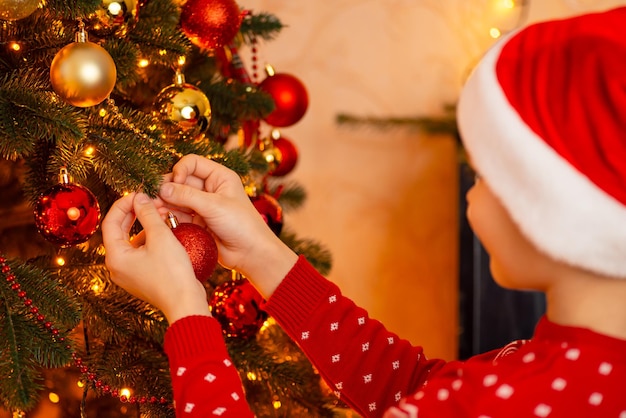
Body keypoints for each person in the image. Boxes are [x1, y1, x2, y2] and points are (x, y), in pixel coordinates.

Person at [102, 6, 626, 418]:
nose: (473, 192)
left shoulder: (512, 404)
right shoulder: (569, 371)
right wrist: (261, 252)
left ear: (558, 207)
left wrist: (187, 316)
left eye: (488, 174)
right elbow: (411, 387)